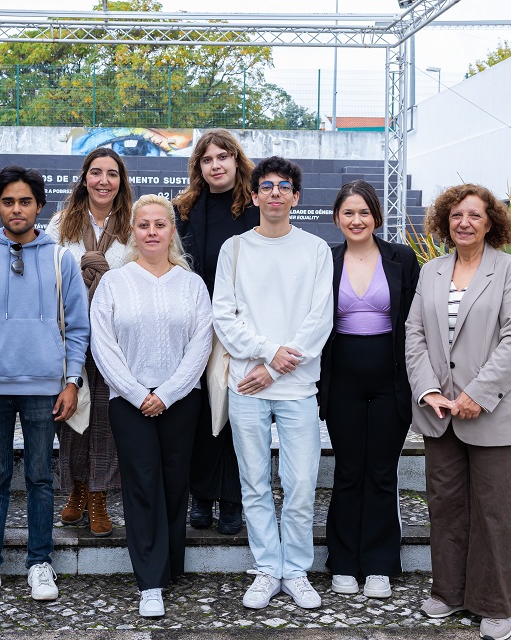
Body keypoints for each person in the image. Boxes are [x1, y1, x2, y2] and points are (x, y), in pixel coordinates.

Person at [0, 166, 89, 605]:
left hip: (45, 386)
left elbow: (79, 327)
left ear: (39, 206)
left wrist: (71, 381)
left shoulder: (61, 258)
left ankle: (39, 563)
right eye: (8, 201)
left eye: (25, 201)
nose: (16, 209)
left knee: (41, 476)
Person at [405, 184, 511, 640]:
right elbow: (414, 334)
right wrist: (428, 391)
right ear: (445, 220)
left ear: (490, 222)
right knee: (446, 507)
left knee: (494, 511)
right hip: (440, 414)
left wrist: (478, 393)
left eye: (475, 216)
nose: (464, 222)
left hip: (490, 413)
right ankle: (448, 593)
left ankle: (495, 604)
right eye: (457, 214)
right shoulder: (431, 272)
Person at [212, 156, 333, 611]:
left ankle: (296, 570)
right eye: (267, 186)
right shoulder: (235, 249)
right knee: (254, 481)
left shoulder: (316, 250)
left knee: (300, 482)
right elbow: (223, 315)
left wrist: (276, 366)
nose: (276, 193)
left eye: (285, 186)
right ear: (256, 195)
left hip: (298, 388)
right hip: (248, 386)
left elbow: (319, 321)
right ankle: (267, 567)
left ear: (296, 197)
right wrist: (265, 353)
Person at [90, 194, 212, 618]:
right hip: (130, 401)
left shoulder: (191, 284)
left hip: (181, 401)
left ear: (171, 231)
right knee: (142, 486)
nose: (152, 232)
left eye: (160, 224)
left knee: (175, 484)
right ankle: (151, 582)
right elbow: (102, 345)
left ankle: (170, 564)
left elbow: (201, 344)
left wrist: (169, 393)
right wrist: (139, 394)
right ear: (133, 233)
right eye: (144, 225)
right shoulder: (114, 283)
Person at [317, 180, 420, 599]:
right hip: (341, 381)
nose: (356, 220)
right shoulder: (326, 260)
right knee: (347, 470)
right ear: (337, 218)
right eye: (348, 213)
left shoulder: (402, 258)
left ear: (376, 216)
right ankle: (342, 561)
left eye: (364, 212)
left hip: (390, 381)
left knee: (381, 472)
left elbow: (416, 324)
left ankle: (379, 563)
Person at [174, 128, 258, 536]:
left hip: (244, 328)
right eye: (207, 159)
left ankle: (232, 500)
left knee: (237, 415)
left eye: (222, 157)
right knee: (202, 414)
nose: (215, 165)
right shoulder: (184, 210)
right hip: (197, 328)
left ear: (236, 161)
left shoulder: (257, 209)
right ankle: (201, 498)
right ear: (198, 167)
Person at [46, 147, 132, 538]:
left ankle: (99, 495)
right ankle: (76, 492)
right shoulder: (62, 223)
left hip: (117, 337)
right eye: (95, 173)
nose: (103, 180)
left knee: (106, 421)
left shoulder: (132, 224)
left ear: (121, 181)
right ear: (84, 178)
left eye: (111, 174)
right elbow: (47, 275)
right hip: (71, 335)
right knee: (72, 416)